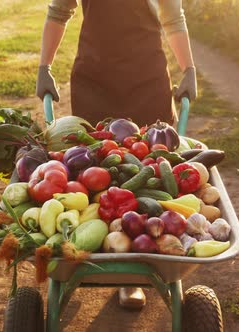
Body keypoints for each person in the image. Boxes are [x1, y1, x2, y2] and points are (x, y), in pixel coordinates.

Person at [35, 0, 198, 308]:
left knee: (146, 174)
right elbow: (59, 11)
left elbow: (173, 18)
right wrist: (44, 66)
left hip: (147, 81)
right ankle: (91, 251)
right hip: (94, 81)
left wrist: (188, 69)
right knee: (96, 173)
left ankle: (131, 277)